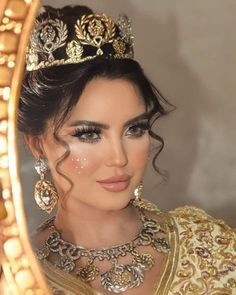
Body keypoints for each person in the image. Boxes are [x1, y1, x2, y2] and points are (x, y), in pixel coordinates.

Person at [18, 5, 236, 295]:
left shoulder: (211, 247)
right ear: (36, 143)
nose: (119, 158)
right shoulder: (18, 275)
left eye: (135, 129)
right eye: (89, 134)